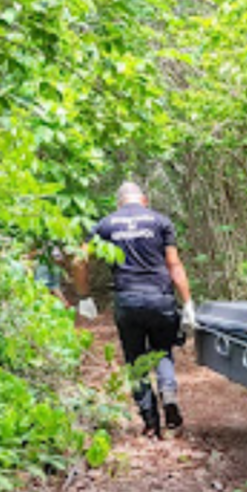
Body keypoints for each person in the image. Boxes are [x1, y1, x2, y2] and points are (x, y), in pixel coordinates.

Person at [79, 182, 196, 439]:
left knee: (135, 359)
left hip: (127, 299)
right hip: (160, 297)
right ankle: (169, 394)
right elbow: (174, 264)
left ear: (119, 202)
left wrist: (84, 295)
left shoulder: (106, 224)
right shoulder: (160, 221)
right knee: (162, 349)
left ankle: (150, 421)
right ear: (144, 199)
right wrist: (187, 302)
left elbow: (80, 258)